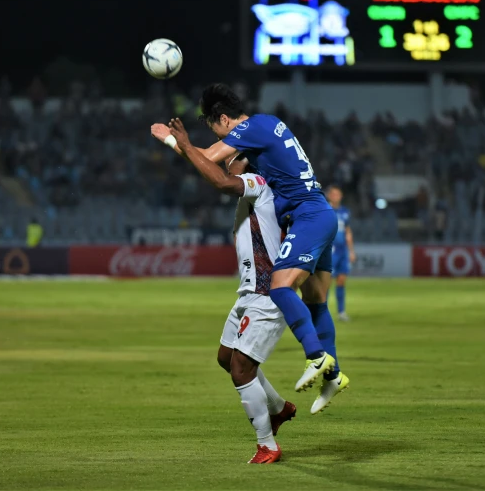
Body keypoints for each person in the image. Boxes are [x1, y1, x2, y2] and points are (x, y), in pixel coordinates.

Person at [151, 83, 343, 395]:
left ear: (224, 119)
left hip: (308, 215)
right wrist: (180, 145)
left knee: (280, 288)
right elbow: (210, 159)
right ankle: (333, 376)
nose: (221, 140)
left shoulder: (253, 127)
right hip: (319, 211)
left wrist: (175, 141)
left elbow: (210, 160)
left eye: (218, 131)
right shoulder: (268, 126)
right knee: (317, 302)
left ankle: (316, 357)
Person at [213, 153, 295, 463]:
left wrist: (183, 146)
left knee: (241, 368)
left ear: (246, 166)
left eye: (231, 160)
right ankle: (278, 408)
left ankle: (268, 445)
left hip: (266, 293)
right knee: (226, 357)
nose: (225, 166)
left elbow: (220, 182)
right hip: (248, 292)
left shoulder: (258, 184)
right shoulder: (252, 193)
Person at [326, 186, 355, 322]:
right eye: (334, 194)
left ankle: (341, 312)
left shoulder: (345, 212)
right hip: (331, 251)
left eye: (339, 194)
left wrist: (351, 251)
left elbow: (348, 232)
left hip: (343, 251)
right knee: (327, 282)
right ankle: (322, 312)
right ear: (329, 196)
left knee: (342, 281)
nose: (336, 197)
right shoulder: (325, 210)